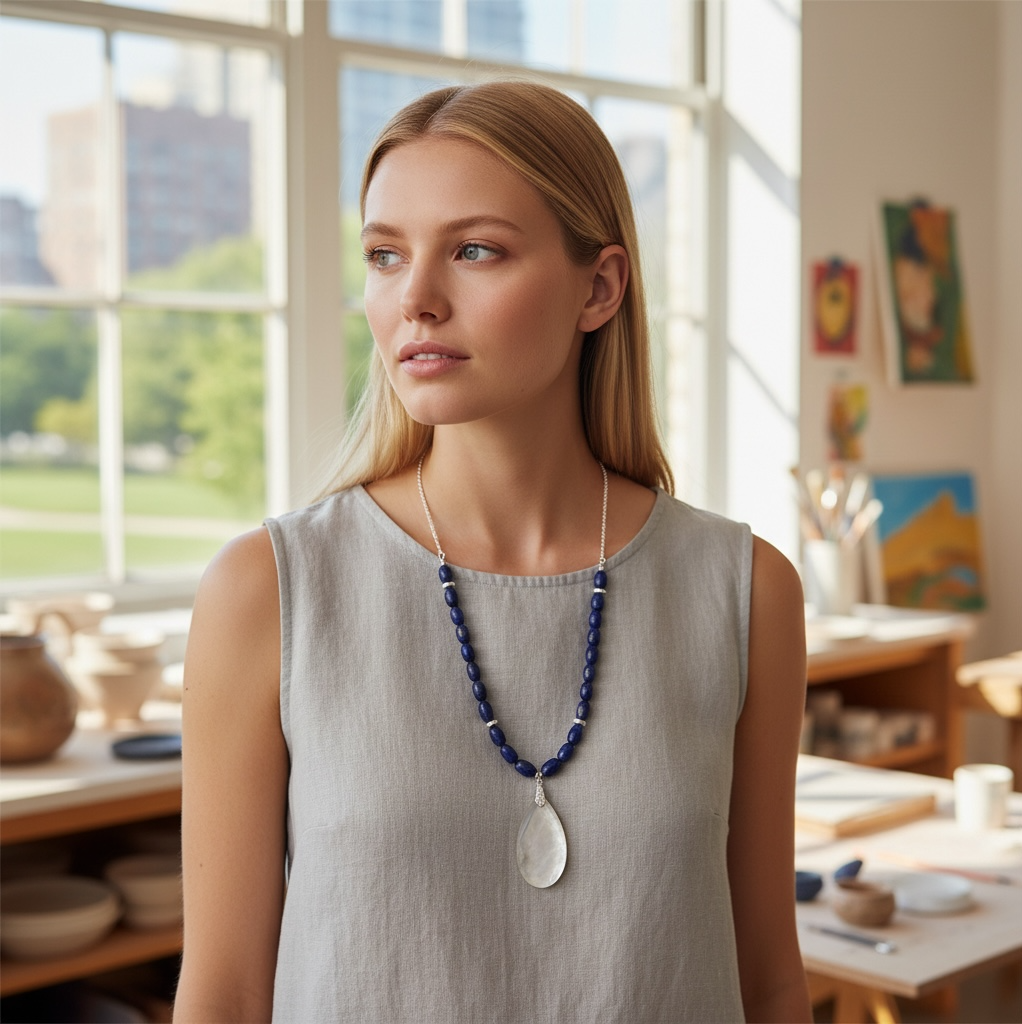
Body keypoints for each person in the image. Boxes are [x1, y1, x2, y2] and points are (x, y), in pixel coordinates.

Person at [173, 81, 811, 1024]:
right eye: (385, 256)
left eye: (474, 251)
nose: (415, 299)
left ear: (598, 289)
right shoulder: (269, 592)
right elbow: (223, 994)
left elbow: (767, 978)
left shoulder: (745, 591)